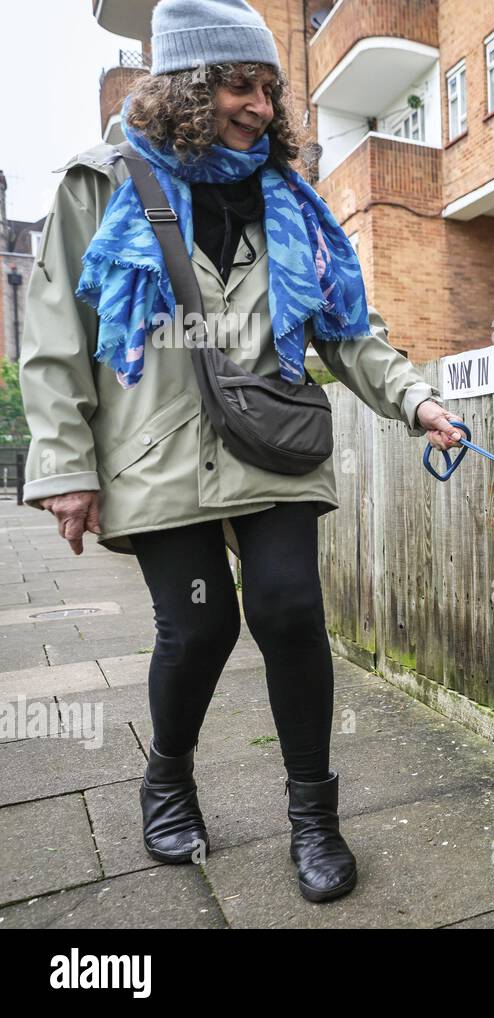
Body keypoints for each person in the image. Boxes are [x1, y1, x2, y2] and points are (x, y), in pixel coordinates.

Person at [18, 0, 462, 903]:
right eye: (237, 84)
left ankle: (314, 817)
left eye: (268, 87)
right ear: (184, 86)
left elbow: (348, 327)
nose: (260, 106)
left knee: (292, 611)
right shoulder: (100, 185)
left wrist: (415, 401)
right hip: (157, 449)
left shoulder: (287, 195)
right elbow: (56, 335)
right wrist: (65, 468)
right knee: (200, 624)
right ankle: (168, 777)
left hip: (272, 438)